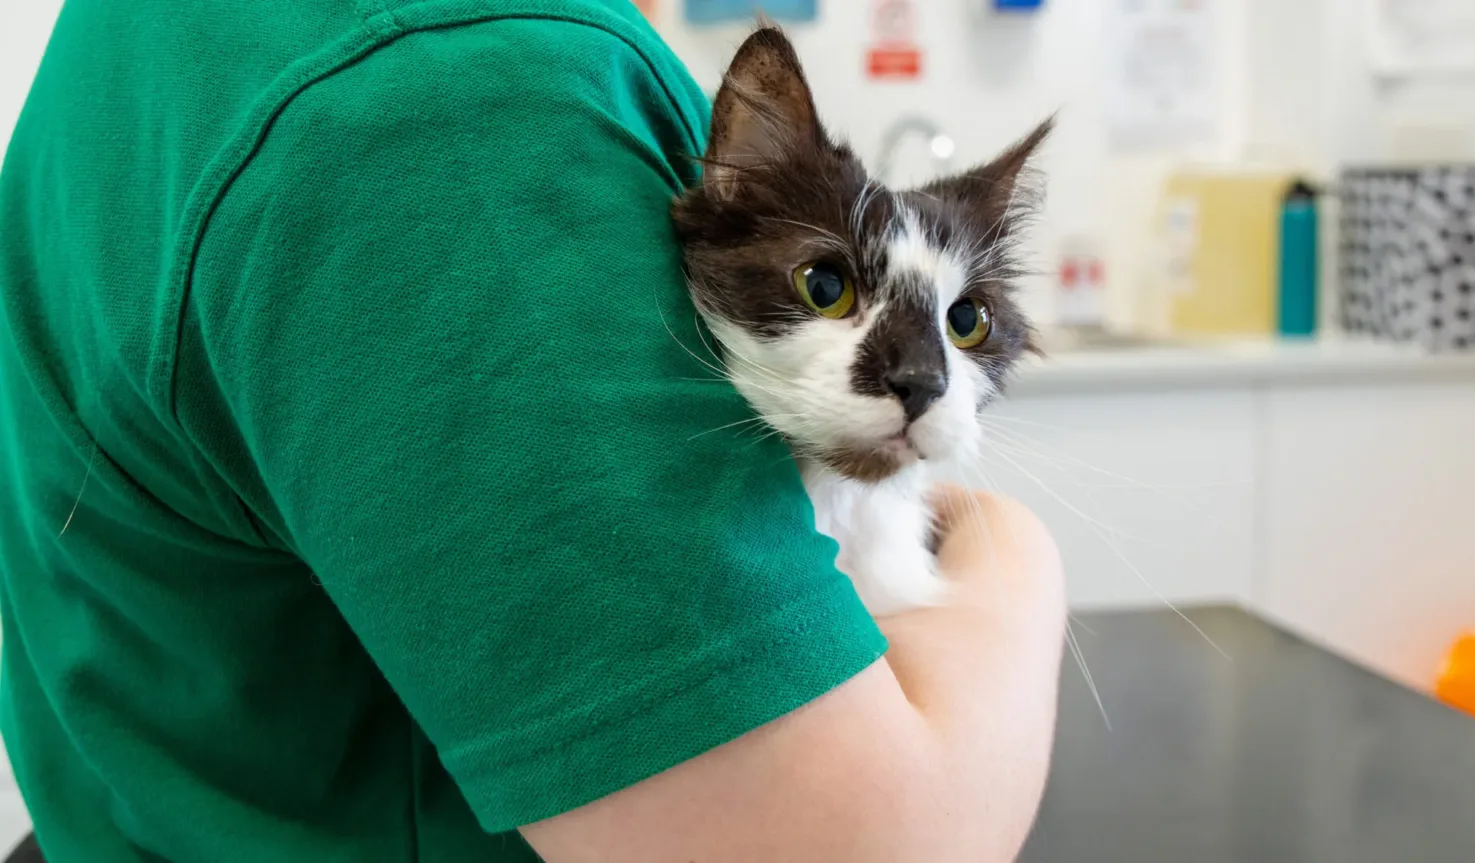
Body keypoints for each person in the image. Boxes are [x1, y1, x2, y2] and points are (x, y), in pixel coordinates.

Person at [0, 0, 1066, 860]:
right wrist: (1022, 557)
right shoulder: (455, 97)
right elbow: (867, 841)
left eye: (968, 324)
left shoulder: (136, 32)